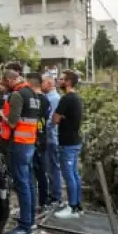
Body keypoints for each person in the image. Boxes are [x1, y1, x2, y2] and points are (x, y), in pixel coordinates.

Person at [1, 65, 41, 234]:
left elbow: (12, 123)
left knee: (22, 183)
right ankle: (30, 220)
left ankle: (25, 226)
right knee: (30, 182)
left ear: (10, 80)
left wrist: (0, 116)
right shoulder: (33, 94)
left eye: (6, 82)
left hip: (19, 143)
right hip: (30, 142)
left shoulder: (17, 95)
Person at [52, 69, 84, 219]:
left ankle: (71, 208)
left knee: (69, 174)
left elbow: (55, 119)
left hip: (67, 143)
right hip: (75, 141)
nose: (59, 81)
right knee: (75, 174)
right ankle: (77, 205)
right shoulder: (77, 98)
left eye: (62, 79)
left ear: (68, 82)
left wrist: (61, 117)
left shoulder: (66, 99)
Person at [28, 74, 53, 213]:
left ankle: (33, 203)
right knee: (42, 172)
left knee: (32, 173)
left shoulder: (32, 99)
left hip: (31, 139)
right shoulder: (46, 100)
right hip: (42, 137)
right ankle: (43, 202)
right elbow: (47, 117)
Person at [42, 75, 65, 208]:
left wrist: (41, 128)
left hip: (52, 138)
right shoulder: (48, 98)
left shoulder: (54, 99)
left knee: (54, 167)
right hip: (48, 138)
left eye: (43, 82)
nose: (41, 84)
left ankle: (56, 196)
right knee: (50, 167)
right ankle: (53, 193)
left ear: (50, 83)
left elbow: (51, 120)